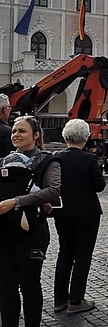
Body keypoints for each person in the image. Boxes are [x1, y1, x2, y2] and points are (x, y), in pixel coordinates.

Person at [0, 116, 61, 327]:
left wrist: (16, 201)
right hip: (4, 231)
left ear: (36, 135)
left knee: (29, 284)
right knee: (6, 286)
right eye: (14, 130)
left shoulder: (47, 161)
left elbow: (53, 191)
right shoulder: (4, 161)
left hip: (31, 232)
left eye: (22, 131)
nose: (16, 134)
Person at [53, 120, 106, 314]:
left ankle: (59, 299)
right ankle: (75, 299)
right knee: (83, 255)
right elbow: (99, 186)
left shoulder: (56, 157)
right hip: (87, 213)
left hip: (63, 212)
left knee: (64, 253)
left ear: (65, 137)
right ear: (86, 137)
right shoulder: (89, 160)